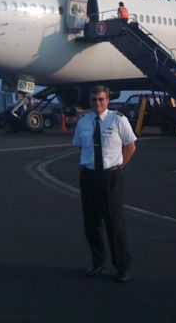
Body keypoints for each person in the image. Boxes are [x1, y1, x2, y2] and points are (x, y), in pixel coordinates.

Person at [73, 85, 137, 283]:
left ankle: (122, 266)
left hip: (111, 177)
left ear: (107, 100)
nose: (97, 103)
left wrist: (118, 167)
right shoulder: (83, 122)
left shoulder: (118, 120)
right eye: (94, 100)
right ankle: (98, 263)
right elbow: (80, 147)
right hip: (89, 177)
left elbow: (131, 146)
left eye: (101, 99)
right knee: (91, 224)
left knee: (114, 224)